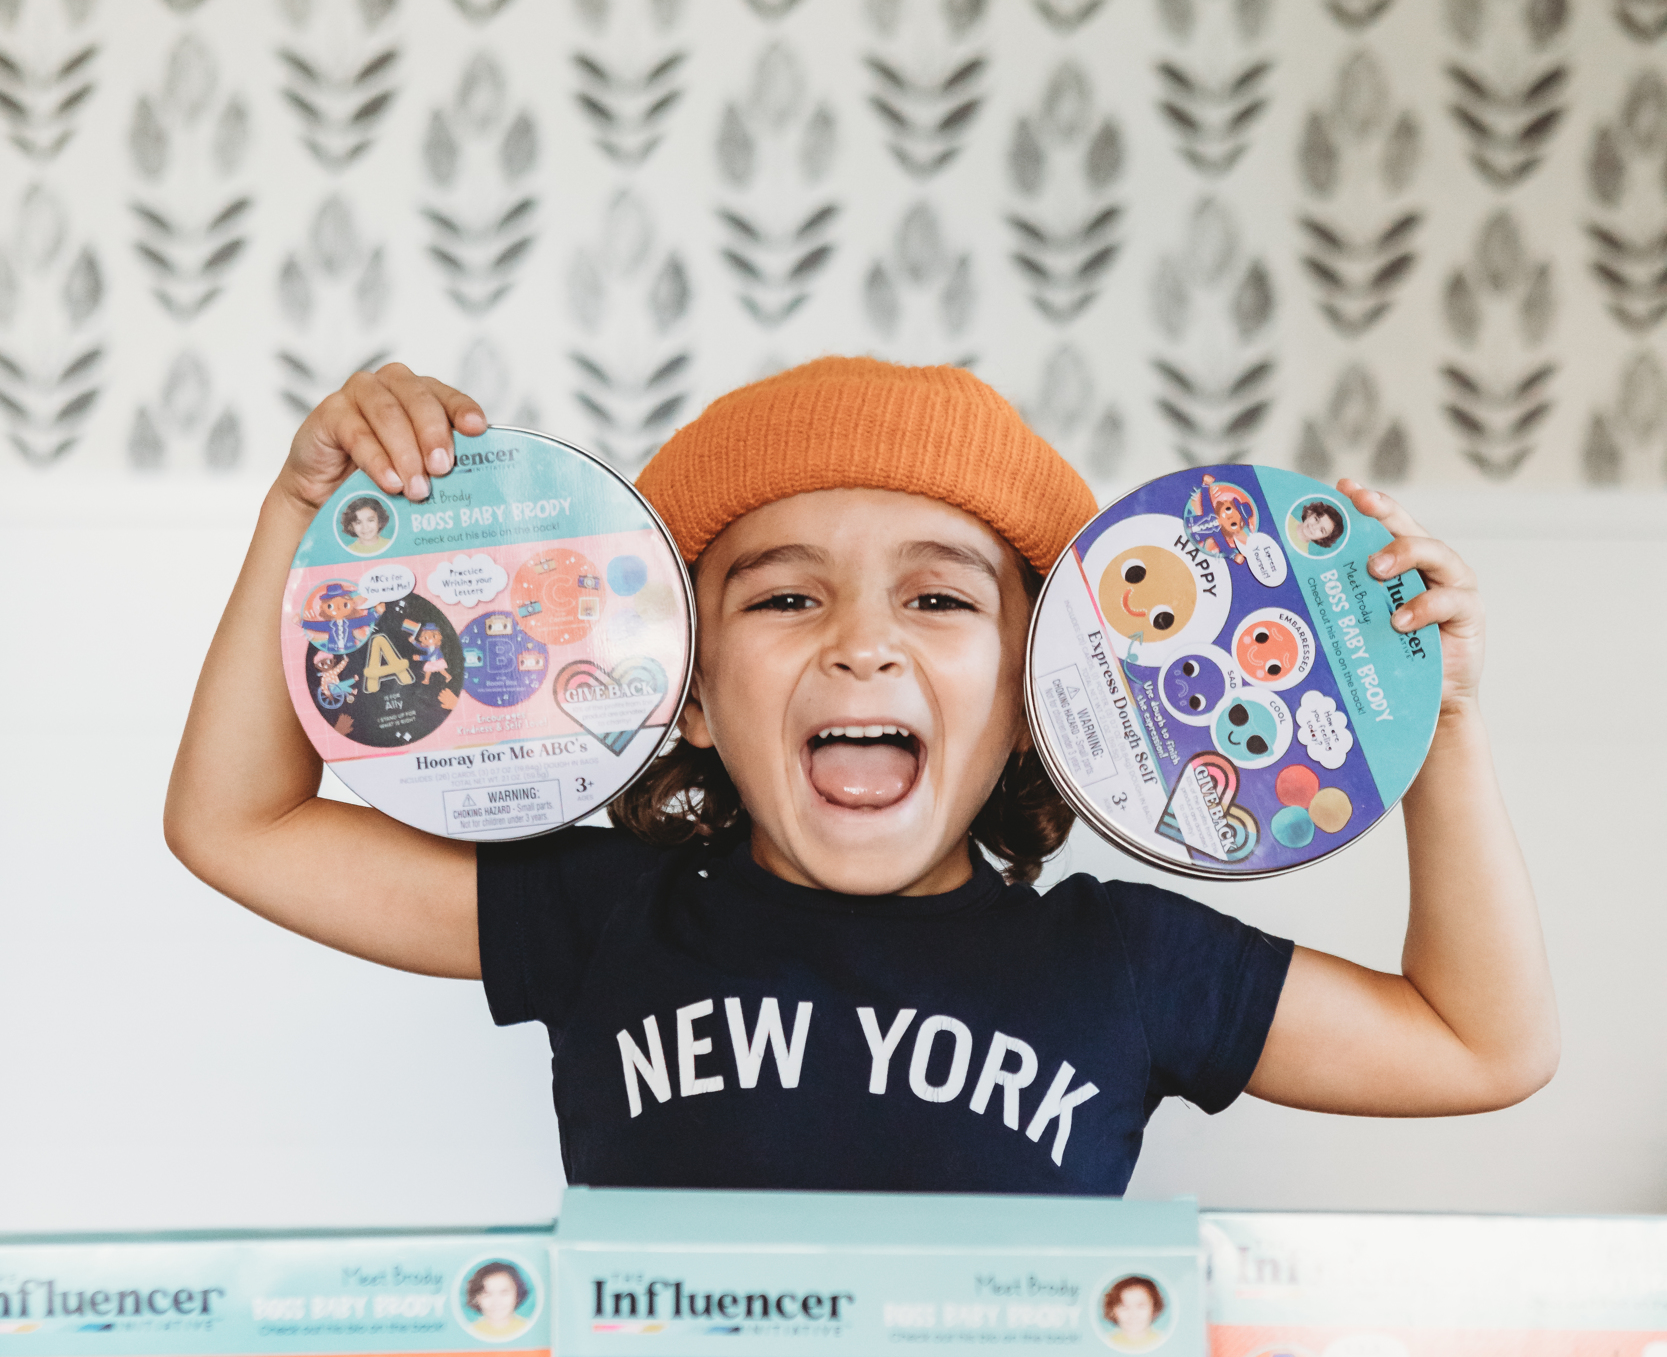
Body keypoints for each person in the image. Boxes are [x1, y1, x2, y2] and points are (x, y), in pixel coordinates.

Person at [165, 358, 1559, 1196]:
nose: (862, 646)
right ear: (691, 691)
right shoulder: (607, 917)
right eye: (783, 602)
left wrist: (1433, 732)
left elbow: (1480, 1044)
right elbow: (239, 825)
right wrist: (306, 512)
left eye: (942, 604)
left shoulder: (1126, 963)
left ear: (1037, 699)